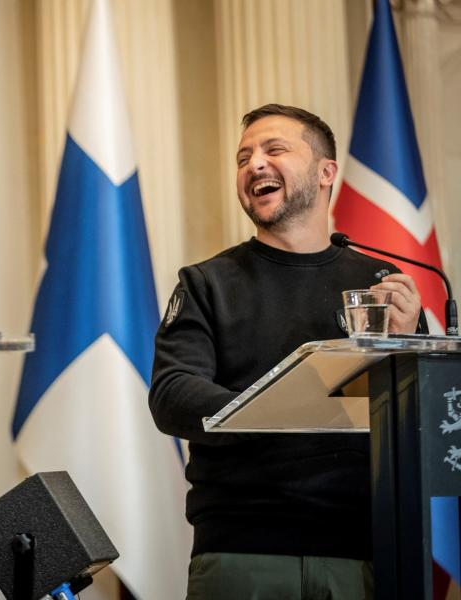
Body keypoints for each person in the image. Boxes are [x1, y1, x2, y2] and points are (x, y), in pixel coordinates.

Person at [149, 104, 423, 599]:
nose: (254, 164)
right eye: (243, 157)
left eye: (274, 149)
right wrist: (287, 402)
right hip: (245, 551)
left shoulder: (380, 286)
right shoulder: (207, 283)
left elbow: (421, 420)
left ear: (325, 173)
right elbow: (173, 396)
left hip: (370, 547)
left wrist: (405, 346)